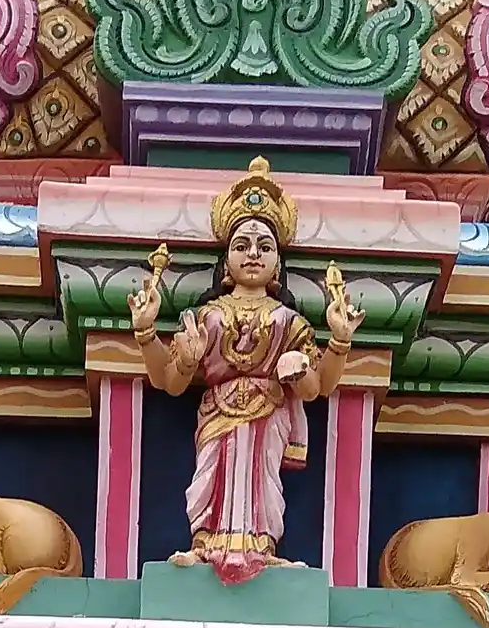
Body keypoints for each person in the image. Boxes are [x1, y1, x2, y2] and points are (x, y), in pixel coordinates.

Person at [127, 159, 361, 583]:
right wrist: (148, 334)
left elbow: (316, 388)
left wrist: (336, 343)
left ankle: (261, 547)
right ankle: (205, 546)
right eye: (242, 245)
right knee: (211, 478)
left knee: (261, 485)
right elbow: (170, 383)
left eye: (265, 246)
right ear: (226, 258)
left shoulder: (289, 322)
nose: (253, 254)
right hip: (216, 414)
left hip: (268, 416)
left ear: (277, 262)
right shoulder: (207, 316)